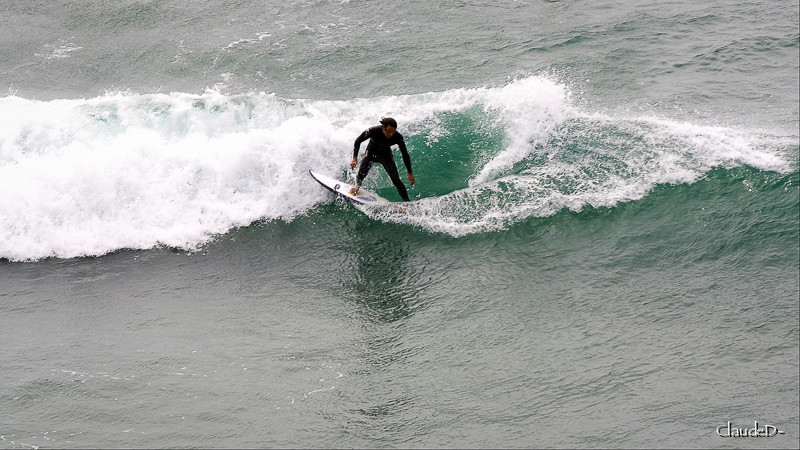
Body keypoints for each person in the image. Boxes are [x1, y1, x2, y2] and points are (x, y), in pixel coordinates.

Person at [349, 117, 415, 201]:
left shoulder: (397, 137)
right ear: (383, 127)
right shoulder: (373, 131)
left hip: (385, 155)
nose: (391, 134)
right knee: (361, 175)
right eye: (389, 131)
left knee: (396, 180)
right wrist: (354, 158)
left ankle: (407, 203)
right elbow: (358, 140)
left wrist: (409, 172)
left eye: (393, 132)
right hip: (371, 154)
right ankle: (356, 188)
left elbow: (405, 154)